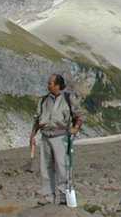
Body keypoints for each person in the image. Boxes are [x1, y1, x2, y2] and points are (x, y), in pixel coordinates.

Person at [30, 74, 84, 204]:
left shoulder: (67, 98)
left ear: (57, 85)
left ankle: (62, 196)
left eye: (50, 83)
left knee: (61, 166)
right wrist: (33, 136)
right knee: (46, 167)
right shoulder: (44, 100)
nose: (48, 86)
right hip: (45, 135)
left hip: (60, 136)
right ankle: (47, 196)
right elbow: (38, 119)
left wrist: (76, 127)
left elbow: (79, 115)